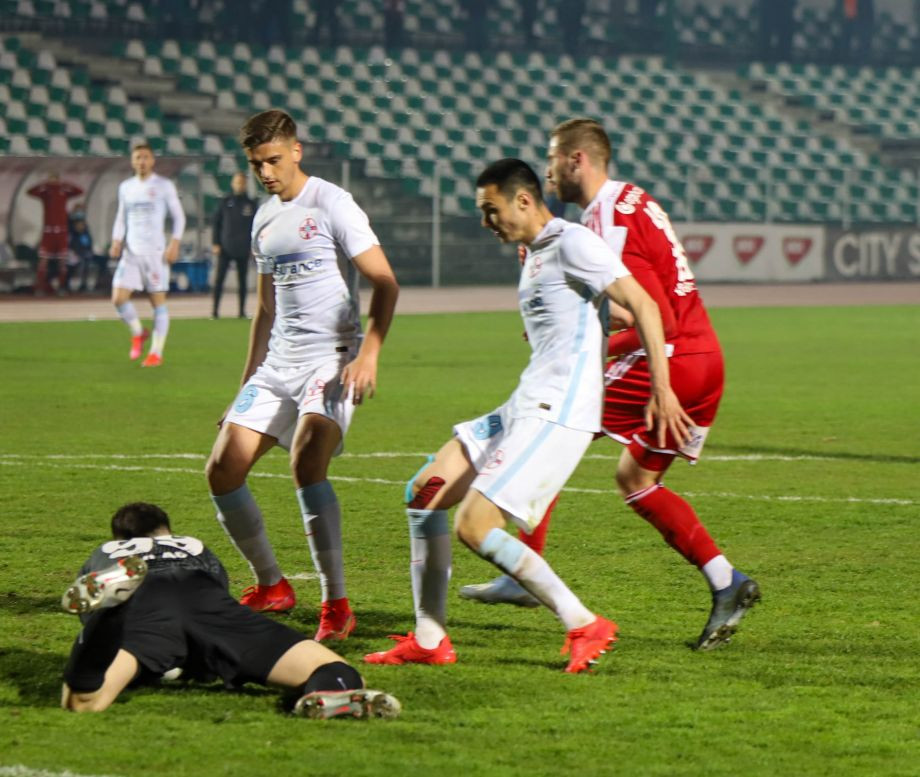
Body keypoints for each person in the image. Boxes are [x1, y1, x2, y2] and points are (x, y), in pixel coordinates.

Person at [363, 158, 691, 672]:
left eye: (490, 210)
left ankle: (583, 623)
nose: (485, 222)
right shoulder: (536, 252)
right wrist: (587, 320)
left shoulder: (572, 241)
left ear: (522, 200)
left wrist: (662, 390)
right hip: (524, 403)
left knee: (474, 525)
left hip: (558, 410)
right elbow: (617, 311)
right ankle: (429, 639)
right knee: (424, 492)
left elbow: (645, 305)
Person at [461, 119, 760, 651]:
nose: (547, 171)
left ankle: (522, 569)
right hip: (704, 357)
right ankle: (726, 581)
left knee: (552, 417)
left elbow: (652, 314)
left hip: (668, 360)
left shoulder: (605, 220)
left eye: (552, 159)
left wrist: (586, 341)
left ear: (576, 159)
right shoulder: (629, 200)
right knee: (635, 480)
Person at [205, 109, 399, 643]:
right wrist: (245, 385)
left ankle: (337, 604)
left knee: (306, 461)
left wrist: (369, 354)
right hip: (278, 364)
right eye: (256, 164)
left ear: (296, 151)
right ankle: (272, 584)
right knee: (222, 469)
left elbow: (384, 282)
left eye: (272, 160)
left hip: (331, 358)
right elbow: (265, 311)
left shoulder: (332, 203)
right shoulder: (264, 219)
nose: (265, 172)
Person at [59, 501, 401, 719]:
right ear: (166, 530)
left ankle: (114, 610)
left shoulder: (108, 551)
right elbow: (216, 590)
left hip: (145, 604)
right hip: (207, 601)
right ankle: (331, 693)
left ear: (119, 537)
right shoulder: (193, 545)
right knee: (332, 667)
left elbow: (86, 614)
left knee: (85, 701)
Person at [109, 142, 186, 368]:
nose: (142, 161)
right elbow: (121, 217)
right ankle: (138, 332)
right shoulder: (126, 187)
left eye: (145, 157)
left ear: (152, 160)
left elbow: (179, 217)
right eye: (138, 157)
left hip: (155, 253)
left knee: (157, 303)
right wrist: (116, 240)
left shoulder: (163, 185)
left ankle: (156, 352)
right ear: (132, 162)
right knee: (118, 298)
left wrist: (175, 243)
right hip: (131, 252)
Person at [211, 172, 258, 319]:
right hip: (225, 247)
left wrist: (254, 246)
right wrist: (216, 243)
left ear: (245, 185)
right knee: (219, 280)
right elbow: (216, 223)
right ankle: (215, 311)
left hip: (243, 248)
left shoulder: (250, 204)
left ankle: (241, 311)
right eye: (237, 182)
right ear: (232, 184)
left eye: (242, 183)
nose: (239, 185)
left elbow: (256, 227)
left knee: (242, 281)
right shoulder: (225, 202)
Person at [27, 172, 83, 296]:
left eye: (55, 180)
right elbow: (30, 192)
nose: (53, 182)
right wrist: (43, 184)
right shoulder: (46, 193)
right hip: (48, 232)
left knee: (62, 262)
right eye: (51, 180)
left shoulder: (64, 191)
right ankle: (40, 287)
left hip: (61, 232)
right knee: (43, 261)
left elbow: (79, 191)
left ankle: (62, 287)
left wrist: (65, 184)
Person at [68, 208, 107, 293]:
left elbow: (90, 245)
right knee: (84, 262)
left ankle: (101, 282)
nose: (81, 225)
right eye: (79, 224)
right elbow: (74, 248)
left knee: (103, 259)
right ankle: (82, 284)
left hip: (88, 254)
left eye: (83, 224)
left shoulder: (86, 233)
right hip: (78, 256)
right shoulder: (73, 235)